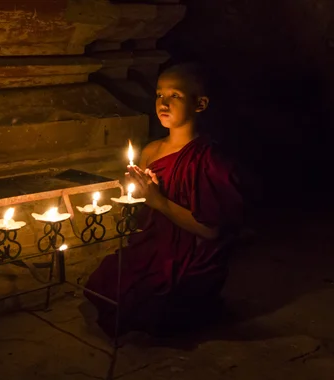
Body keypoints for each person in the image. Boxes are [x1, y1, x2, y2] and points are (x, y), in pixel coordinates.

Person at [84, 63, 245, 338]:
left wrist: (158, 201)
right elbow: (139, 209)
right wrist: (133, 195)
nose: (164, 103)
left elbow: (209, 229)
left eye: (176, 96)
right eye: (159, 95)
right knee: (105, 281)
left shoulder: (209, 161)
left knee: (157, 303)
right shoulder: (152, 151)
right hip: (154, 245)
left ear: (200, 103)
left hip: (193, 256)